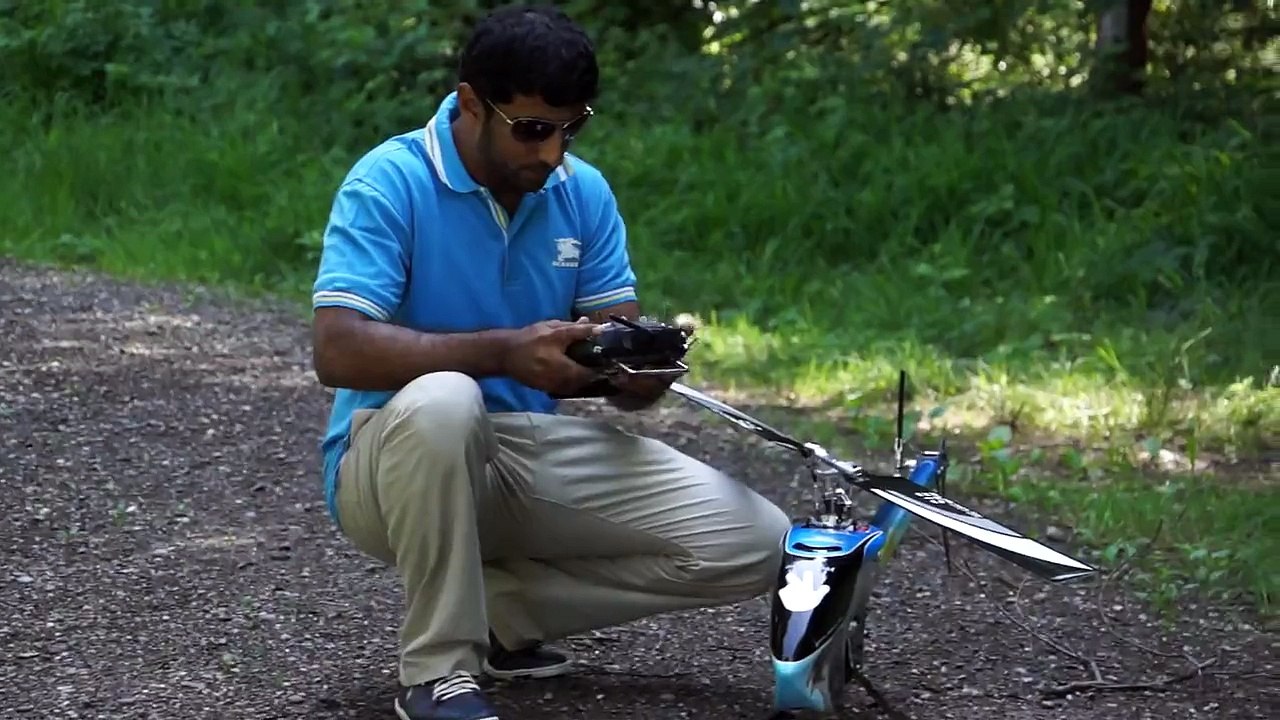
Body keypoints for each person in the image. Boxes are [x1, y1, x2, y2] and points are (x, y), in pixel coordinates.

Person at [308, 5, 791, 720]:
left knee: (759, 543)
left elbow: (612, 346)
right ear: (472, 103)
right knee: (447, 399)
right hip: (388, 460)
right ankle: (440, 673)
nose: (553, 153)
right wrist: (504, 352)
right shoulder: (390, 180)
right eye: (533, 129)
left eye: (572, 128)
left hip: (522, 453)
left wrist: (629, 372)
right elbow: (336, 348)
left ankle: (501, 615)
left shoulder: (582, 193)